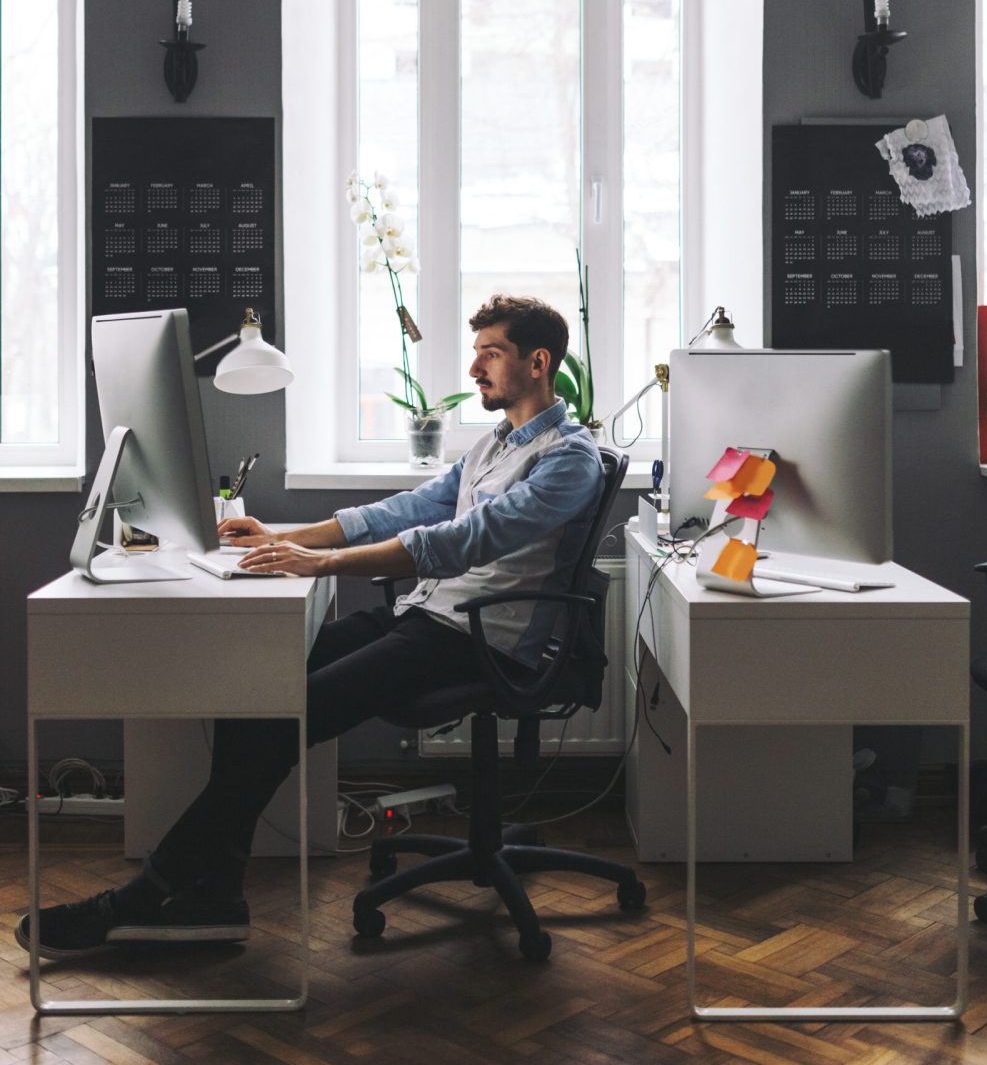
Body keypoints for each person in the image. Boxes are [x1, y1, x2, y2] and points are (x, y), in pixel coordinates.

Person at [17, 294, 603, 959]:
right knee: (259, 690)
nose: (475, 368)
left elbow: (463, 541)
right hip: (429, 620)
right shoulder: (495, 443)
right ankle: (213, 898)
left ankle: (142, 899)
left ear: (538, 362)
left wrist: (321, 561)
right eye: (476, 353)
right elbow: (410, 508)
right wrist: (287, 534)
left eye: (490, 353)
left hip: (480, 641)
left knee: (283, 719)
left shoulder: (567, 459)